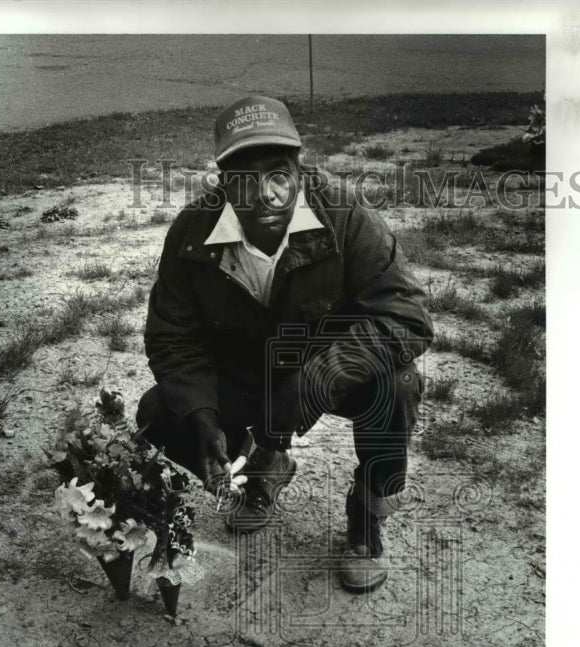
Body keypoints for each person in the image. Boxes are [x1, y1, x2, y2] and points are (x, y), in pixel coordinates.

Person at [137, 95, 433, 593]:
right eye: (246, 181)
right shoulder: (192, 232)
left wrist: (319, 377)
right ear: (223, 182)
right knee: (160, 413)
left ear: (300, 167)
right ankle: (266, 460)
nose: (267, 196)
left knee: (397, 385)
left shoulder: (345, 215)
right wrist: (203, 417)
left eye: (279, 175)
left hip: (327, 370)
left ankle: (366, 518)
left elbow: (407, 316)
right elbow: (172, 337)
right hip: (246, 372)